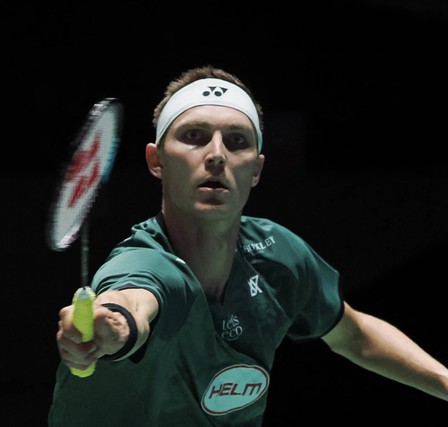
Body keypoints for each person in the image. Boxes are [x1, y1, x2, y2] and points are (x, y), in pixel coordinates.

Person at [47, 65, 448, 426]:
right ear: (157, 161)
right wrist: (116, 324)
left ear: (256, 169)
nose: (217, 155)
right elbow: (135, 297)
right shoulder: (146, 262)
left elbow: (354, 334)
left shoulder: (279, 256)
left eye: (236, 141)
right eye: (194, 136)